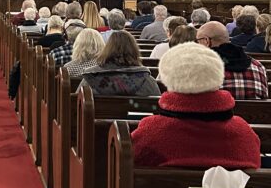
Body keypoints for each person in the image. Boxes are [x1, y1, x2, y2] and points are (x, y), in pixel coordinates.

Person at [132, 43, 261, 169]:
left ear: (167, 78)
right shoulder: (244, 134)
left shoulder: (151, 132)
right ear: (218, 76)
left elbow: (127, 170)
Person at [196, 21, 268, 100]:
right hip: (257, 112)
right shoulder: (258, 66)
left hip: (218, 111)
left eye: (198, 41)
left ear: (206, 41)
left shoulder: (201, 68)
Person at [80, 30, 160, 97]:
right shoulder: (146, 80)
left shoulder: (90, 77)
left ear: (107, 49)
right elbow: (157, 106)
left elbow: (76, 105)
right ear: (134, 51)